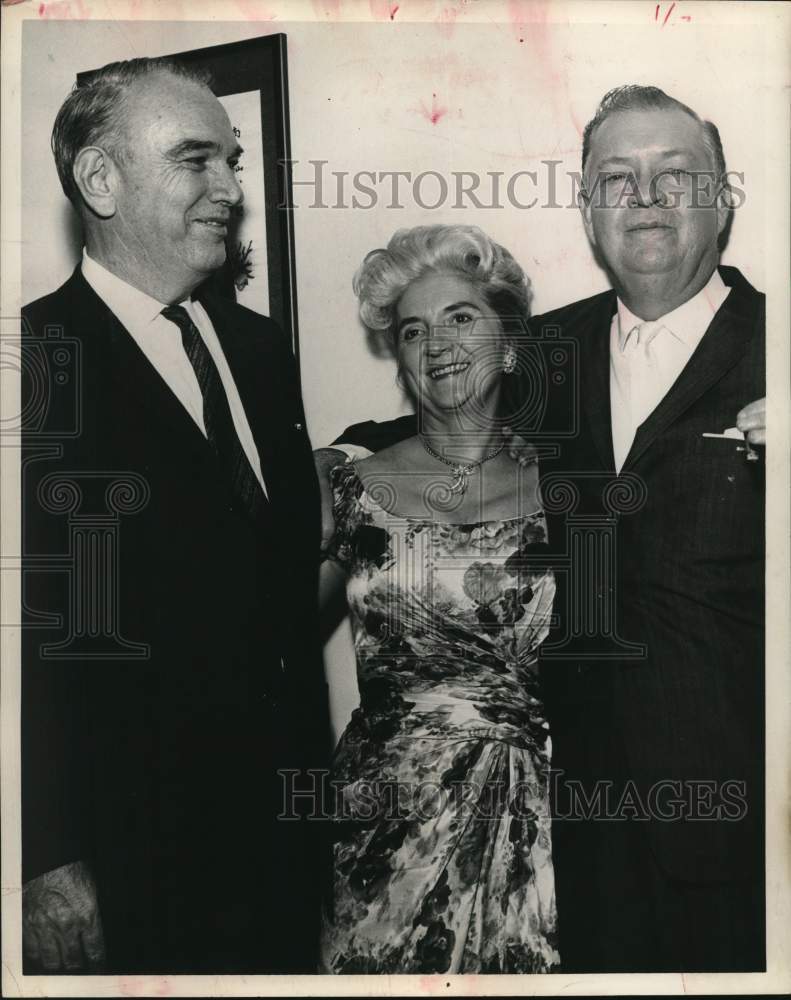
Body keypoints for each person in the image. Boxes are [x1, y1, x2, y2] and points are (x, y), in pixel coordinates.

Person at [316, 86, 766, 972]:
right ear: (587, 210)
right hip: (572, 830)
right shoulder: (548, 350)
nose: (643, 197)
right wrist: (332, 455)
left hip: (731, 822)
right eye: (614, 178)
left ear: (723, 196)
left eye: (674, 174)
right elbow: (448, 413)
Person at [21, 58, 328, 974]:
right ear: (100, 180)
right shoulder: (31, 364)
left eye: (231, 161)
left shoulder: (258, 349)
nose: (230, 189)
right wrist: (44, 856)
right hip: (126, 858)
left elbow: (269, 579)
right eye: (197, 161)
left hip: (282, 835)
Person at [318, 225, 560, 973]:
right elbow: (261, 640)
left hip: (539, 824)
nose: (437, 343)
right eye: (413, 330)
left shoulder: (569, 487)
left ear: (510, 344)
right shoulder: (346, 488)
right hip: (382, 825)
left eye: (461, 318)